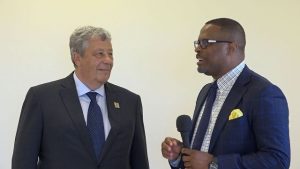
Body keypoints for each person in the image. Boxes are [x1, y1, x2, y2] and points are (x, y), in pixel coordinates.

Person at [12, 26, 149, 169]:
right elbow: (23, 162)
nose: (108, 60)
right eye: (100, 54)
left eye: (110, 54)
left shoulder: (130, 102)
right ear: (77, 58)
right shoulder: (42, 98)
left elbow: (140, 162)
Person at [161, 18, 290, 169]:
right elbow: (201, 158)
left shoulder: (264, 93)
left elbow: (277, 160)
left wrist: (215, 164)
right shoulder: (206, 92)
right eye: (197, 43)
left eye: (205, 43)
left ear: (231, 48)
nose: (197, 49)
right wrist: (179, 156)